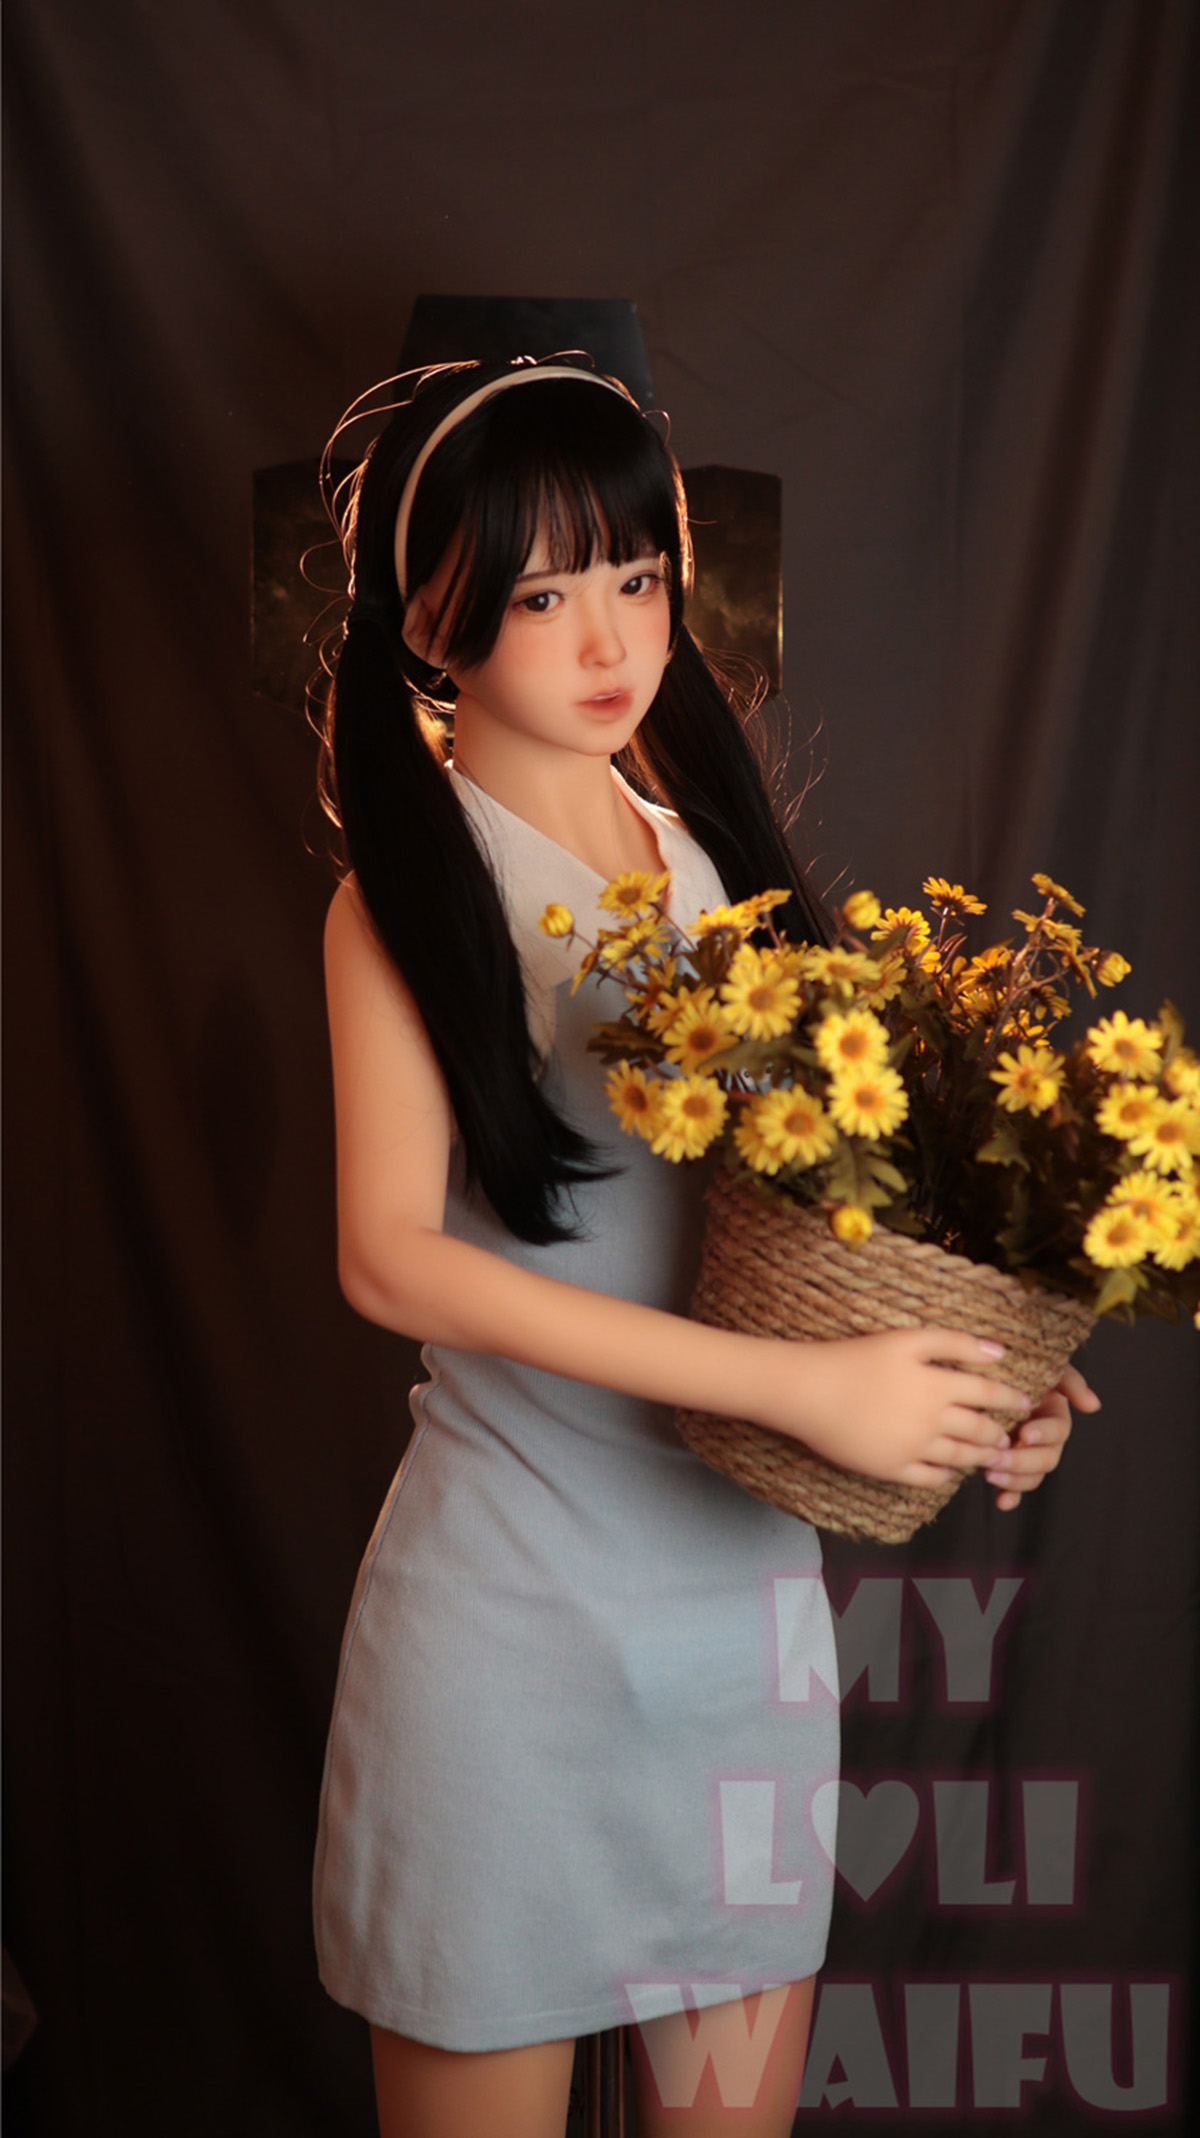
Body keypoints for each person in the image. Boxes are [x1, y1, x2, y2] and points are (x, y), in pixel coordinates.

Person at [311, 356, 1093, 2138]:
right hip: (506, 1649)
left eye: (637, 575)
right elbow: (389, 1258)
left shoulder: (709, 873)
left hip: (744, 1652)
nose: (610, 637)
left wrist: (988, 1365)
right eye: (542, 595)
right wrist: (798, 1386)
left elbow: (800, 1231)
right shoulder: (406, 899)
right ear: (432, 622)